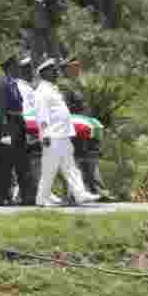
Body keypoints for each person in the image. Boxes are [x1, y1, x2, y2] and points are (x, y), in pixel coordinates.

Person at [33, 58, 98, 207]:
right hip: (53, 136)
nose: (56, 72)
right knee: (49, 170)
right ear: (45, 73)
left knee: (70, 167)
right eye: (52, 70)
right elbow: (41, 115)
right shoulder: (42, 91)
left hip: (63, 135)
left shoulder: (52, 88)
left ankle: (80, 194)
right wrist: (45, 135)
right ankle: (41, 200)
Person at [0, 55, 34, 206]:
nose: (19, 69)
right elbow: (0, 109)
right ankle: (2, 197)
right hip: (9, 126)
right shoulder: (2, 83)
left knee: (22, 162)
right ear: (10, 67)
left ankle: (26, 197)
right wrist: (4, 131)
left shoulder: (13, 83)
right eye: (16, 67)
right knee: (5, 163)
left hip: (18, 124)